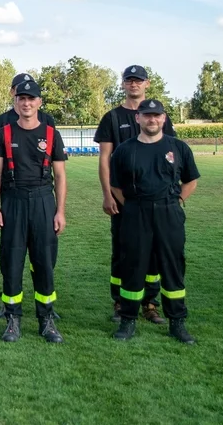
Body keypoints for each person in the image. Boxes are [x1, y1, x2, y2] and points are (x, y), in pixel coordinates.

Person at [109, 100, 198, 344]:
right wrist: (133, 206)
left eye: (156, 116)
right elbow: (115, 185)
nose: (152, 120)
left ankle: (177, 322)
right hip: (136, 212)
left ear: (164, 118)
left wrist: (178, 199)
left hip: (169, 212)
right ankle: (128, 320)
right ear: (138, 118)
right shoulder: (124, 150)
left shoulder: (178, 147)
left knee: (172, 267)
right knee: (133, 266)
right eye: (147, 115)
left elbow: (191, 180)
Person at [94, 65, 176, 324]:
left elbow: (170, 154)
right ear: (123, 84)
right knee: (123, 250)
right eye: (129, 80)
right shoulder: (112, 118)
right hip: (123, 198)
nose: (133, 84)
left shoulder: (160, 116)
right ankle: (120, 302)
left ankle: (150, 303)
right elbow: (105, 159)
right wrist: (108, 194)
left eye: (138, 80)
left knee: (153, 252)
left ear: (146, 84)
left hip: (154, 199)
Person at [0, 80, 67, 343]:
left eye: (31, 98)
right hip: (13, 201)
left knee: (44, 261)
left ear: (39, 102)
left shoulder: (52, 134)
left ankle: (46, 319)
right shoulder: (4, 133)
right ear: (15, 101)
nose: (26, 103)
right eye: (21, 98)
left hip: (44, 201)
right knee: (11, 262)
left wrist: (60, 211)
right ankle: (13, 318)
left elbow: (60, 175)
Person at [0, 73, 56, 139]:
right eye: (21, 87)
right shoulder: (0, 122)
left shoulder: (47, 120)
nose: (26, 89)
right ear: (12, 92)